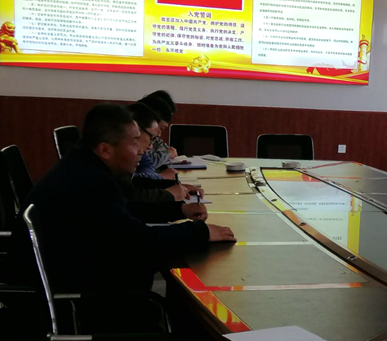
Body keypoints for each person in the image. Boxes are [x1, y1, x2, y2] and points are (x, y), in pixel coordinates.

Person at [6, 103, 236, 293]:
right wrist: (200, 232)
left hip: (66, 275)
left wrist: (178, 210)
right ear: (105, 150)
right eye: (134, 142)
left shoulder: (83, 166)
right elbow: (137, 241)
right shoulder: (90, 181)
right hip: (75, 297)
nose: (142, 150)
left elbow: (122, 210)